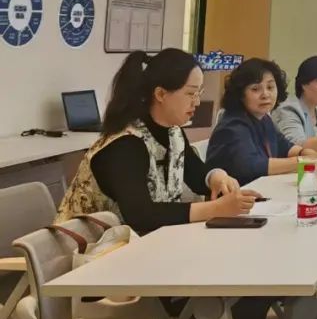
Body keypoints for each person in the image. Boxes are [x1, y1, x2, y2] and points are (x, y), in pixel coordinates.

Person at [56, 49, 256, 232]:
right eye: (190, 93)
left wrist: (216, 178)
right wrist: (214, 209)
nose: (196, 102)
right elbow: (141, 215)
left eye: (199, 93)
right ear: (160, 94)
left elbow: (195, 176)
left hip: (140, 243)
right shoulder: (125, 144)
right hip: (86, 249)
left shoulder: (173, 132)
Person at [207, 58, 317, 186]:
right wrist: (302, 161)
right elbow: (253, 166)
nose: (265, 94)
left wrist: (303, 152)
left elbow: (284, 145)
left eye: (270, 87)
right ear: (241, 94)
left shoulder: (263, 118)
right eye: (255, 89)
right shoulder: (233, 126)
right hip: (236, 195)